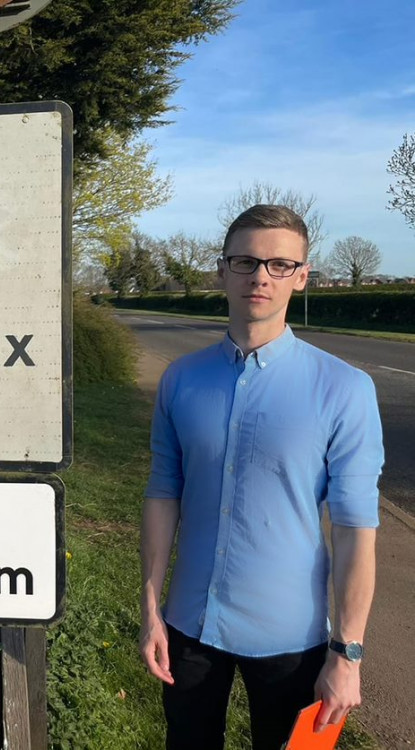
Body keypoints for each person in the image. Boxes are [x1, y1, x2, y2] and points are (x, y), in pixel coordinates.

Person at [139, 204, 383, 750]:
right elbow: (162, 493)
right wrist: (151, 607)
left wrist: (348, 653)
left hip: (291, 638)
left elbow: (354, 530)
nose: (260, 277)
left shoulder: (345, 389)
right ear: (223, 270)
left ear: (301, 275)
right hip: (188, 627)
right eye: (245, 261)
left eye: (279, 264)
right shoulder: (180, 380)